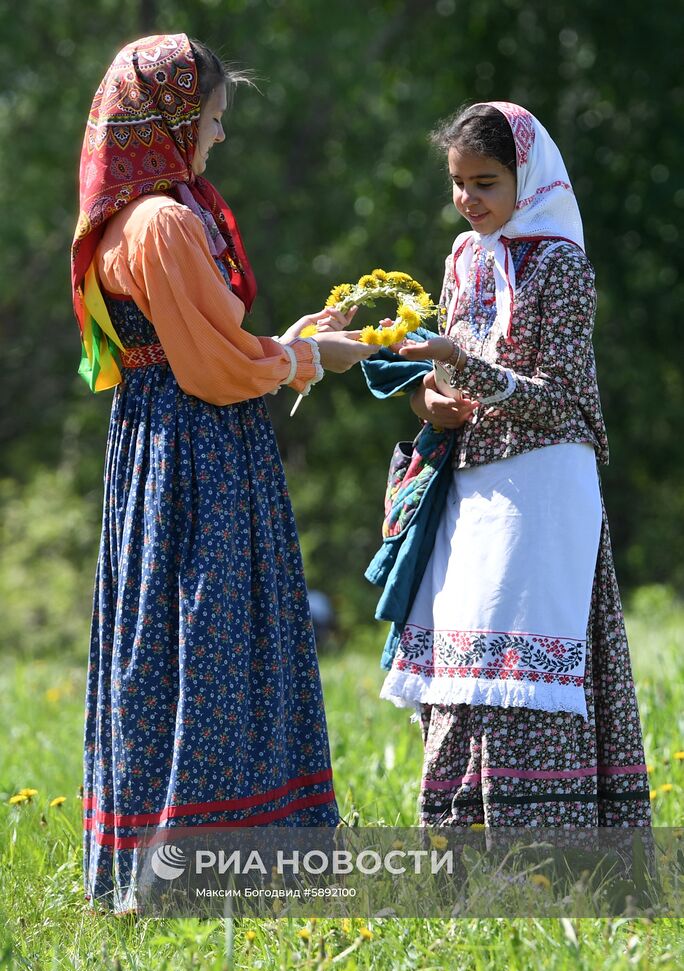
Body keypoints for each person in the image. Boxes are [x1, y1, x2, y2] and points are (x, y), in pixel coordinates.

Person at [71, 33, 374, 912]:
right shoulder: (162, 221)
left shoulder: (161, 209)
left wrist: (294, 342)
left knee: (179, 636)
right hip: (196, 446)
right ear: (168, 118)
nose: (219, 136)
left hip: (167, 445)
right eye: (211, 117)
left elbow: (210, 342)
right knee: (208, 635)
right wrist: (305, 360)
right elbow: (206, 369)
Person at [371, 101, 651, 828]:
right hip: (472, 483)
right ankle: (460, 846)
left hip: (544, 484)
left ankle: (542, 845)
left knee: (522, 656)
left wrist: (461, 363)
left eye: (486, 182)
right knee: (463, 657)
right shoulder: (462, 259)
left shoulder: (562, 264)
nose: (468, 200)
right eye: (459, 183)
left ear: (526, 178)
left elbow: (563, 402)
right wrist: (430, 400)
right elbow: (447, 377)